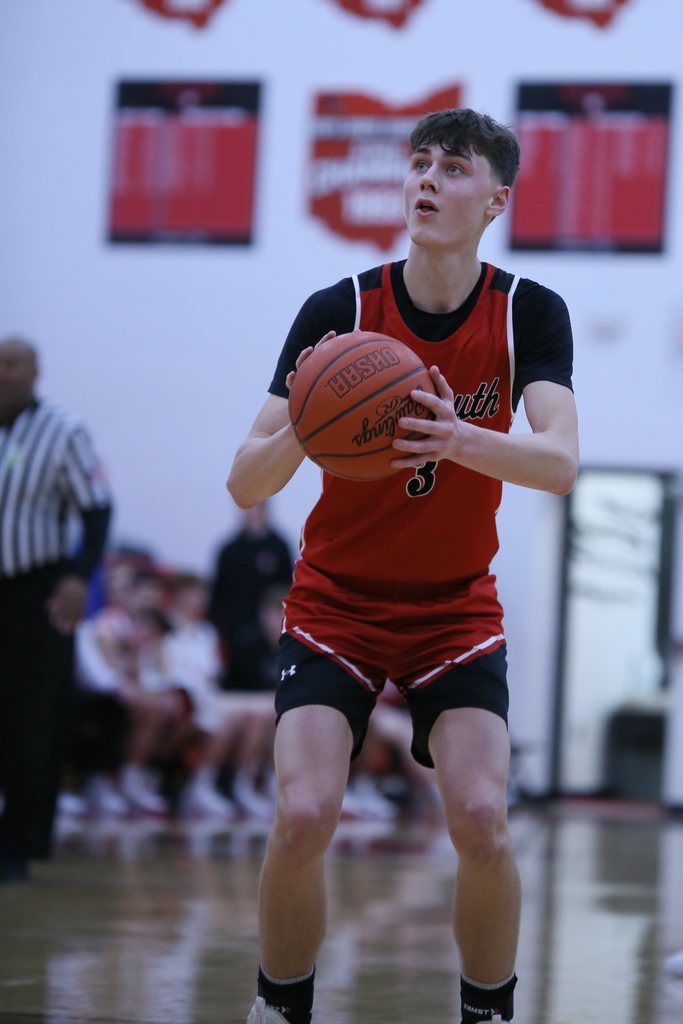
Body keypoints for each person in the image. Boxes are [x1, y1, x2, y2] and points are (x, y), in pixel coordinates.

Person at [227, 108, 579, 1024]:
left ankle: (487, 1011)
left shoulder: (526, 312)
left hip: (454, 608)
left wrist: (457, 436)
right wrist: (305, 425)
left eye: (452, 167)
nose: (425, 178)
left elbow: (559, 462)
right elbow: (241, 481)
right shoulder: (337, 310)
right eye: (418, 163)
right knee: (303, 815)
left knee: (482, 821)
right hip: (335, 602)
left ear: (495, 198)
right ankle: (279, 1007)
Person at [0, 336, 113, 882]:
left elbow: (96, 509)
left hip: (37, 592)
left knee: (32, 716)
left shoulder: (63, 431)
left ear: (34, 372)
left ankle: (23, 842)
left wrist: (77, 576)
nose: (3, 372)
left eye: (12, 363)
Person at [208, 501, 293, 691]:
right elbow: (218, 597)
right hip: (237, 634)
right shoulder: (229, 550)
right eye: (247, 507)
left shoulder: (279, 547)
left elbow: (290, 592)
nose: (252, 512)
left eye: (257, 506)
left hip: (274, 636)